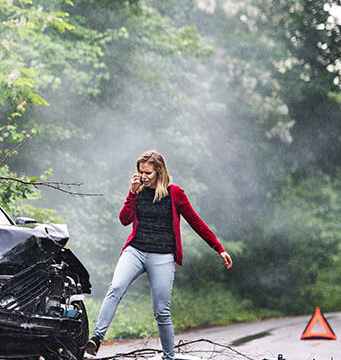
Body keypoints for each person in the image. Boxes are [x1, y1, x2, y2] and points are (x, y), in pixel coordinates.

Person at [84, 150, 233, 359]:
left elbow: (195, 221)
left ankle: (168, 357)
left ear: (159, 172)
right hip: (135, 250)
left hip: (162, 256)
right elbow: (124, 220)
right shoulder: (138, 191)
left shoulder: (175, 193)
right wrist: (132, 194)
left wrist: (219, 248)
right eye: (140, 172)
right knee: (115, 287)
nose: (143, 176)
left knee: (161, 311)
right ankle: (96, 339)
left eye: (148, 173)